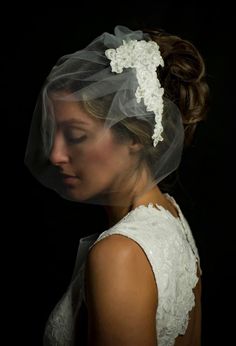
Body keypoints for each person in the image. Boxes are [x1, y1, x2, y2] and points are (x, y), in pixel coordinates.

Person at [25, 25, 208, 346]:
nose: (55, 154)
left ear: (134, 137)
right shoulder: (168, 212)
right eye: (54, 131)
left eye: (76, 135)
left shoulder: (118, 255)